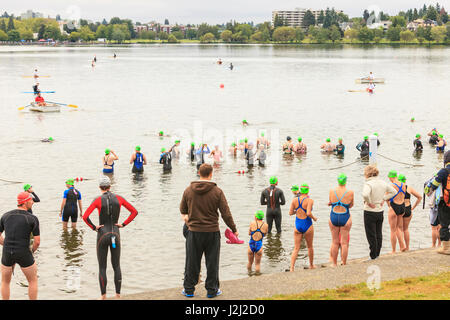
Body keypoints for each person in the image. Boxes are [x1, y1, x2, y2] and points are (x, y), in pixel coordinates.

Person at [180, 164, 238, 298]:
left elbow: (183, 209)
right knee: (212, 262)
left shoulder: (188, 190)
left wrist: (187, 219)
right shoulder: (217, 191)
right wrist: (233, 229)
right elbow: (226, 213)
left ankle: (189, 289)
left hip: (194, 232)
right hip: (212, 232)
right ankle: (212, 290)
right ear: (211, 174)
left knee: (192, 261)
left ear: (199, 173)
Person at [82, 176, 138, 300]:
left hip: (102, 234)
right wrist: (123, 224)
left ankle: (103, 296)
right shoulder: (119, 198)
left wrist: (94, 227)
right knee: (116, 265)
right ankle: (118, 295)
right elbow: (134, 211)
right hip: (115, 234)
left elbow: (85, 217)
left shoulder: (97, 200)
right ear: (110, 186)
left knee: (102, 267)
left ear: (99, 187)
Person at [0, 192, 40, 300]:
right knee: (32, 280)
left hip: (7, 252)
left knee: (5, 281)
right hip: (24, 252)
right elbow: (37, 241)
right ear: (25, 202)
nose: (32, 202)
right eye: (31, 200)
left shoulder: (5, 215)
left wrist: (6, 244)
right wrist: (31, 251)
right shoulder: (32, 218)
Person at [362, 165, 397, 260]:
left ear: (367, 174)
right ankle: (377, 254)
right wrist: (384, 199)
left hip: (369, 211)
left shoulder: (368, 184)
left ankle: (373, 255)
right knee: (378, 233)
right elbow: (394, 192)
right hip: (379, 211)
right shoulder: (383, 182)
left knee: (371, 234)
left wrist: (369, 202)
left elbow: (365, 194)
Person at [425, 150, 450, 254]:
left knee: (444, 225)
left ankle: (445, 248)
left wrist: (427, 190)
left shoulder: (444, 171)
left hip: (445, 202)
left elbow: (433, 186)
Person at [289, 184, 317, 271]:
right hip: (307, 224)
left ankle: (292, 268)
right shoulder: (310, 200)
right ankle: (311, 265)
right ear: (308, 191)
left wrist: (297, 211)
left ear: (300, 191)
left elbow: (290, 213)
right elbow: (308, 213)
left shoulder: (294, 200)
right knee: (309, 247)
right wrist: (314, 218)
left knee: (296, 248)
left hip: (298, 225)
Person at [328, 174, 353, 266]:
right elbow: (351, 205)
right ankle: (344, 262)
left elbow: (330, 202)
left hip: (333, 216)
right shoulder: (350, 192)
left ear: (338, 181)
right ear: (346, 181)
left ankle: (334, 263)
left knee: (334, 242)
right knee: (344, 243)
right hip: (345, 217)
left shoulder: (332, 191)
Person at [397, 174, 422, 251]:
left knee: (399, 229)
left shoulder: (396, 188)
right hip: (408, 208)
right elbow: (419, 197)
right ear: (405, 180)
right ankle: (407, 247)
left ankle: (402, 247)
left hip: (400, 208)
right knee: (406, 229)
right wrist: (413, 207)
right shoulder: (409, 188)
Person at [387, 170, 407, 253]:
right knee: (399, 228)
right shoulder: (404, 185)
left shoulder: (391, 185)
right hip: (402, 206)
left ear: (391, 177)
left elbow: (386, 197)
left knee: (393, 230)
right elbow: (404, 195)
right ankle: (402, 246)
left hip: (394, 206)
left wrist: (388, 205)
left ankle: (393, 250)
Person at [247, 210, 267, 274]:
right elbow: (264, 235)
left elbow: (249, 233)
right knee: (257, 264)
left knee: (250, 262)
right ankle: (257, 277)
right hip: (259, 245)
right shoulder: (266, 225)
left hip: (251, 244)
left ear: (256, 217)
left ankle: (249, 274)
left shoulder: (252, 223)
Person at [428, 183, 442, 248]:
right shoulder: (445, 183)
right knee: (440, 226)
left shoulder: (432, 184)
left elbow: (428, 194)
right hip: (443, 206)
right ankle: (439, 244)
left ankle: (433, 245)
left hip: (434, 208)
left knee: (434, 227)